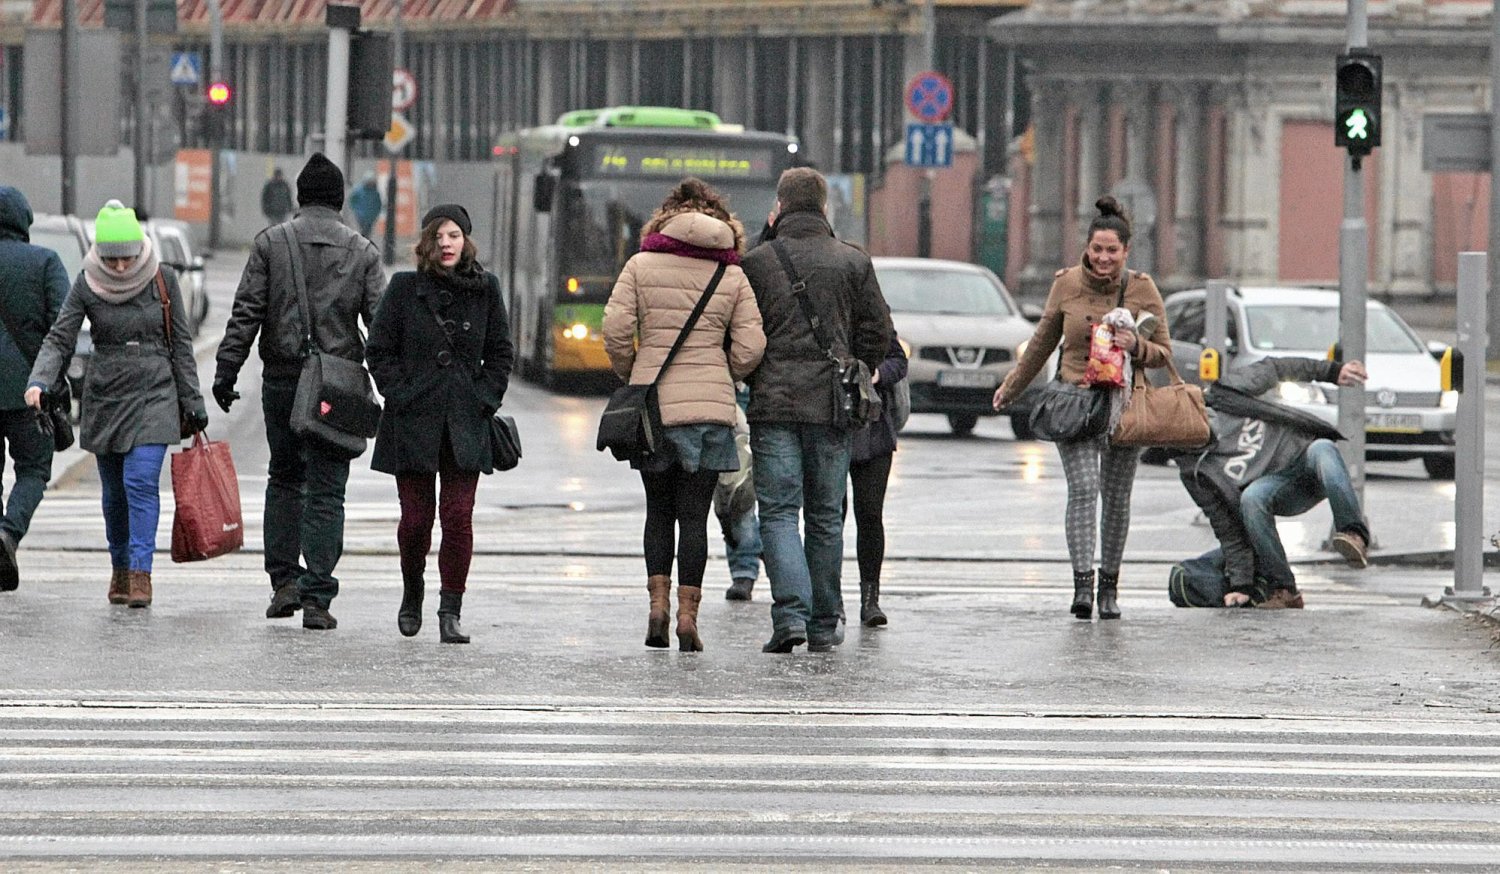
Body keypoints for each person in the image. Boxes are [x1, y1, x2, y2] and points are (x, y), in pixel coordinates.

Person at [214, 153, 387, 631]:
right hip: (338, 386)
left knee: (285, 477)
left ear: (298, 197)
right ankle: (318, 598)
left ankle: (283, 583)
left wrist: (226, 371)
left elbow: (245, 313)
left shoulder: (271, 243)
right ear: (338, 199)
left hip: (284, 381)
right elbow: (382, 326)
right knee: (328, 490)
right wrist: (392, 388)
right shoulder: (363, 252)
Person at [603, 178, 766, 652]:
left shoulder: (640, 265)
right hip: (711, 411)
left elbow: (614, 329)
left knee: (659, 511)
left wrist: (634, 370)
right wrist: (723, 370)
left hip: (654, 407)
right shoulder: (731, 276)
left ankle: (656, 606)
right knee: (694, 517)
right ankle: (688, 616)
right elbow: (753, 345)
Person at [992, 195, 1170, 622]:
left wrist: (1137, 345)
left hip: (1125, 405)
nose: (1104, 258)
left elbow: (1164, 352)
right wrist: (1012, 387)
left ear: (1126, 252)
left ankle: (1110, 586)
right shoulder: (1067, 284)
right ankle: (1083, 587)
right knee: (1085, 489)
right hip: (1074, 400)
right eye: (1097, 249)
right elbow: (1041, 342)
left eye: (1112, 251)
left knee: (1117, 498)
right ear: (1086, 248)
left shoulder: (1142, 288)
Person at [740, 167, 893, 653]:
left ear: (780, 206)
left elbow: (742, 335)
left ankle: (790, 616)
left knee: (780, 513)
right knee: (826, 516)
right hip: (832, 406)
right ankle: (826, 622)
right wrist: (857, 365)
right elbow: (879, 332)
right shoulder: (852, 261)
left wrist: (755, 374)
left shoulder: (757, 263)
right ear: (825, 208)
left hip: (774, 403)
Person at [25, 200, 207, 607]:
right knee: (114, 493)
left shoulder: (163, 278)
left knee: (139, 482)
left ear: (138, 248)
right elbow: (60, 337)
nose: (121, 267)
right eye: (112, 259)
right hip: (107, 392)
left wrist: (192, 401)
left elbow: (180, 344)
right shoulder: (88, 282)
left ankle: (142, 573)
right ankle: (120, 567)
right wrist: (40, 379)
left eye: (126, 257)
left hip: (156, 390)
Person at [366, 204, 514, 643]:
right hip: (412, 421)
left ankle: (451, 610)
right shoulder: (404, 288)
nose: (447, 243)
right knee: (415, 521)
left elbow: (502, 353)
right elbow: (379, 350)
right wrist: (400, 392)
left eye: (454, 235)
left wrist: (484, 398)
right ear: (426, 243)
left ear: (466, 240)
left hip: (465, 421)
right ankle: (413, 591)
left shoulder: (486, 289)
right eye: (439, 236)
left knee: (458, 516)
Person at [1176, 356, 1372, 608]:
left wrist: (1332, 371)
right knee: (1252, 497)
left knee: (1323, 448)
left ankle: (1353, 533)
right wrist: (1241, 585)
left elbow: (1277, 368)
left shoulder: (1227, 392)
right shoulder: (1196, 471)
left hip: (1304, 456)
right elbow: (1228, 529)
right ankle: (1285, 589)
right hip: (1279, 488)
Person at [0, 186, 71, 591]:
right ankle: (8, 535)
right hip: (31, 390)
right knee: (33, 468)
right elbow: (63, 327)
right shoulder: (45, 262)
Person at [847, 333, 908, 627]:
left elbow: (898, 359)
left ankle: (870, 599)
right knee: (828, 518)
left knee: (870, 514)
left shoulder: (872, 305)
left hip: (873, 428)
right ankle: (827, 600)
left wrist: (877, 374)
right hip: (828, 424)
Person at [719, 383, 762, 602]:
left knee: (778, 503)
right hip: (728, 394)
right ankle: (743, 571)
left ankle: (764, 549)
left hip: (766, 394)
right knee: (737, 494)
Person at [349, 173, 383, 239]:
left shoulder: (375, 193)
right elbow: (352, 201)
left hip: (370, 217)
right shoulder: (358, 191)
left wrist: (375, 214)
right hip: (360, 216)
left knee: (367, 233)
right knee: (361, 231)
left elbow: (378, 204)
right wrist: (356, 210)